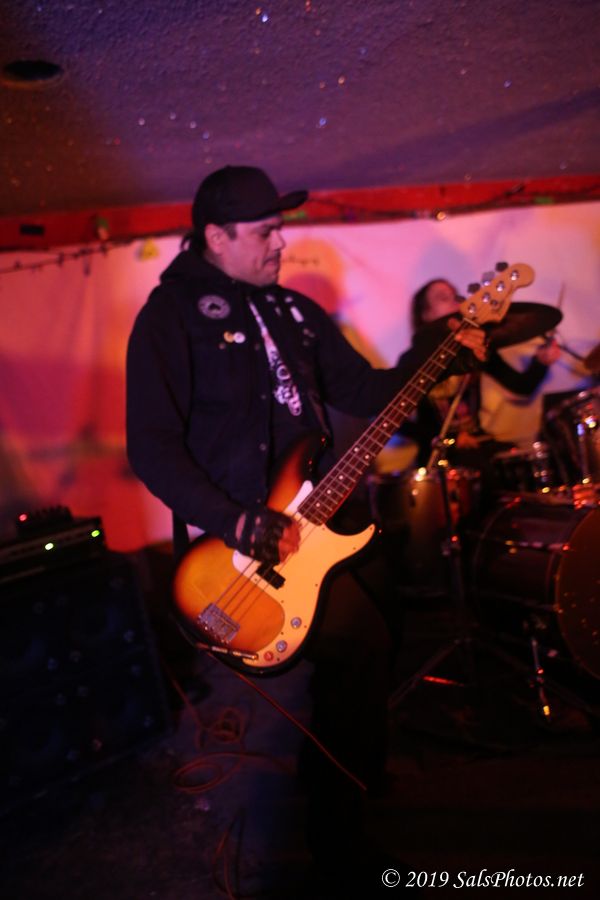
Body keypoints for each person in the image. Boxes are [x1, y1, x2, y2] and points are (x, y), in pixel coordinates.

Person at [126, 166, 487, 894]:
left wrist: (438, 351)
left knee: (380, 626)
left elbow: (364, 390)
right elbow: (153, 447)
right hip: (241, 543)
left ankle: (350, 782)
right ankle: (333, 840)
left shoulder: (294, 311)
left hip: (321, 517)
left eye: (280, 229)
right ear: (216, 236)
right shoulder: (169, 317)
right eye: (264, 231)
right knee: (357, 646)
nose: (280, 243)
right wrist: (236, 518)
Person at [399, 278, 561, 503]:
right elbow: (399, 423)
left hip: (480, 445)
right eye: (443, 298)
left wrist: (540, 363)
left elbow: (521, 386)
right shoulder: (412, 359)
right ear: (425, 314)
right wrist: (450, 438)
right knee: (480, 473)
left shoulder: (475, 349)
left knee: (526, 462)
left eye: (456, 296)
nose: (455, 302)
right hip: (439, 457)